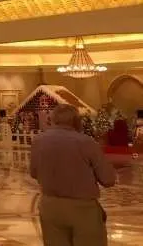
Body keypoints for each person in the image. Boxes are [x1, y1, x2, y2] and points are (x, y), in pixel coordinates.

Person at [30, 104, 116, 246]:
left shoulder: (38, 141)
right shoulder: (86, 142)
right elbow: (108, 180)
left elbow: (33, 173)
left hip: (50, 206)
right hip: (82, 209)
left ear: (53, 120)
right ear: (77, 121)